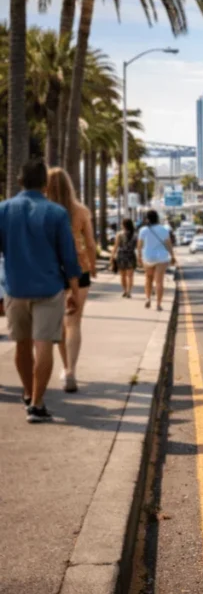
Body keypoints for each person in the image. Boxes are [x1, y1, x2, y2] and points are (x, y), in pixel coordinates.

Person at [0, 161, 81, 423]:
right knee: (43, 344)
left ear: (19, 180)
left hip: (15, 288)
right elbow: (68, 256)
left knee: (21, 345)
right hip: (49, 288)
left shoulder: (3, 210)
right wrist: (75, 289)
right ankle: (37, 403)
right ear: (45, 184)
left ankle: (26, 393)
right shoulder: (56, 212)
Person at [46, 167, 97, 394]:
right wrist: (93, 267)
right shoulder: (81, 211)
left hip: (51, 271)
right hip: (79, 270)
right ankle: (70, 371)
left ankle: (65, 366)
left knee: (60, 323)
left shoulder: (44, 211)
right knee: (74, 322)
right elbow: (91, 244)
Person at [136, 210, 175, 311]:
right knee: (159, 282)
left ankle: (148, 298)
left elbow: (139, 245)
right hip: (161, 257)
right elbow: (169, 244)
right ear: (157, 218)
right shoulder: (164, 229)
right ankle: (158, 304)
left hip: (148, 257)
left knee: (148, 279)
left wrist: (139, 257)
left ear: (147, 219)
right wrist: (173, 256)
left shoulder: (143, 230)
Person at [113, 219, 138, 298]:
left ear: (124, 225)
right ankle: (129, 291)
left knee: (122, 276)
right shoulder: (135, 235)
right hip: (131, 255)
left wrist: (112, 256)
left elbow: (115, 246)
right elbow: (138, 247)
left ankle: (124, 291)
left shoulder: (119, 234)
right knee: (130, 276)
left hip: (121, 256)